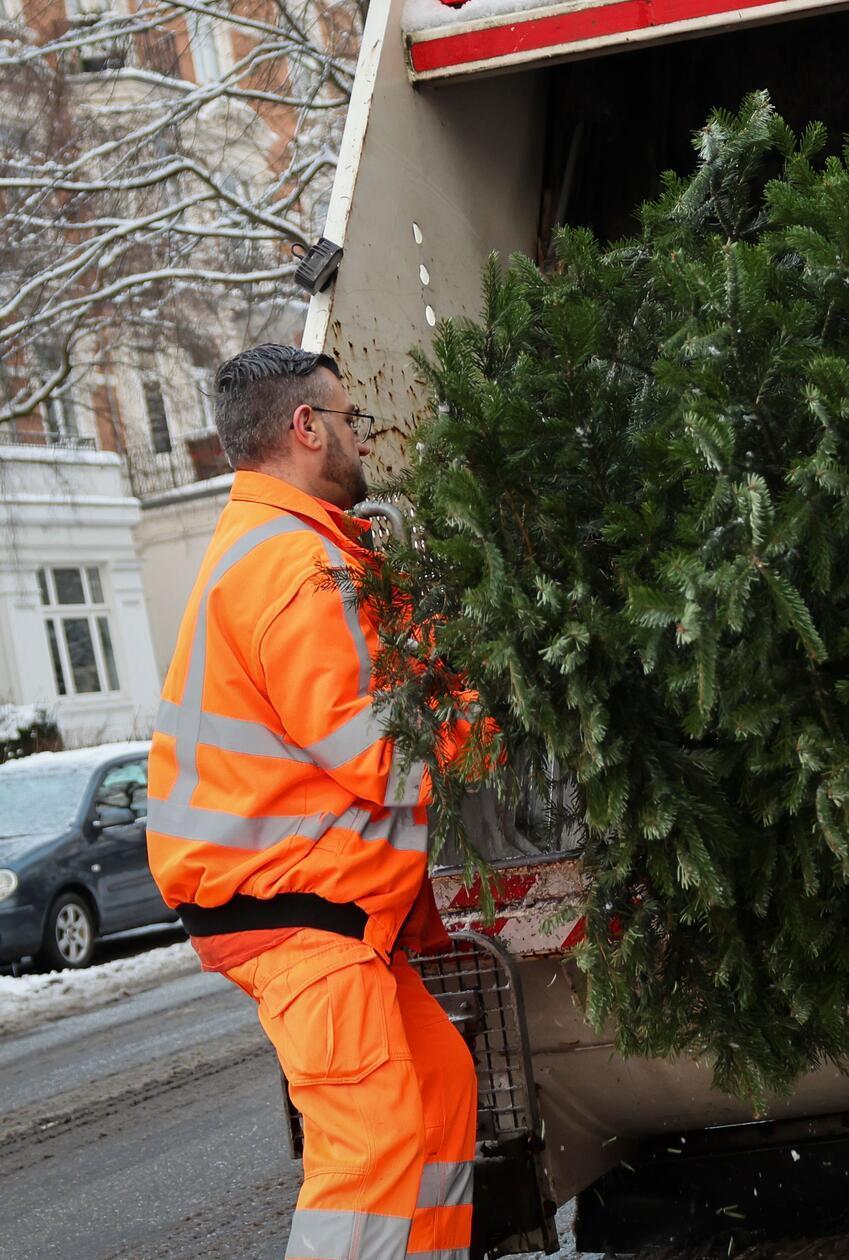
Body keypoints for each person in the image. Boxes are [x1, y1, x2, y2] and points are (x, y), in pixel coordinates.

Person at [147, 344, 477, 1260]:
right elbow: (386, 754)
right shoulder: (294, 571)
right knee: (367, 1141)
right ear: (304, 428)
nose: (360, 439)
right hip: (292, 907)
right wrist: (494, 710)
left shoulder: (294, 551)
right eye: (350, 421)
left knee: (438, 1085)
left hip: (301, 897)